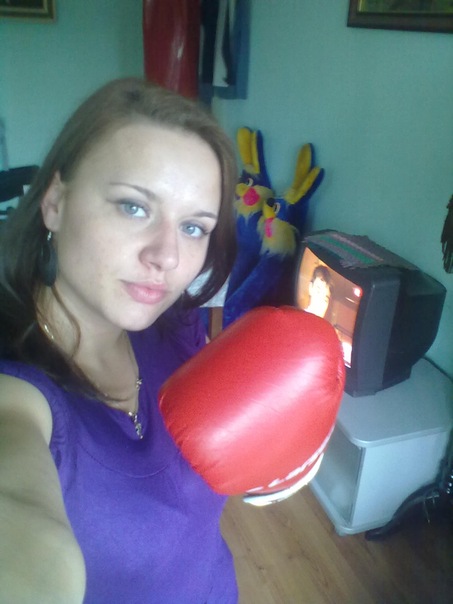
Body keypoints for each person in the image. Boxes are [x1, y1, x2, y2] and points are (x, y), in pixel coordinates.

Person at [0, 78, 238, 603]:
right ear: (55, 202)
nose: (167, 256)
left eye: (194, 228)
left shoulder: (176, 327)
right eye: (134, 207)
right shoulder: (17, 395)